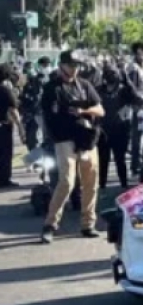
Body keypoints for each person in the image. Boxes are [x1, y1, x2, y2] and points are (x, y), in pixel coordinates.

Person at [40, 50, 105, 244]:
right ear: (61, 65)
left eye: (77, 65)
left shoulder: (84, 85)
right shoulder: (52, 88)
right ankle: (50, 224)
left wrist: (83, 111)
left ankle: (88, 224)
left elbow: (100, 110)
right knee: (67, 181)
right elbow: (49, 116)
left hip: (86, 138)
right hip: (65, 139)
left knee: (91, 181)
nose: (74, 69)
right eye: (71, 65)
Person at [96, 67, 130, 189]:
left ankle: (124, 185)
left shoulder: (124, 90)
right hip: (103, 130)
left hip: (119, 130)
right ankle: (102, 186)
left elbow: (139, 99)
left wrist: (128, 82)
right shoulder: (98, 90)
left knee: (120, 159)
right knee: (103, 160)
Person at [123, 42, 143, 175]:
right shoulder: (134, 68)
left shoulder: (141, 67)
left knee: (141, 136)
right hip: (138, 107)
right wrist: (138, 104)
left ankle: (139, 164)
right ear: (139, 51)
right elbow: (132, 89)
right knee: (138, 137)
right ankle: (137, 165)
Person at [0, 64, 26, 187]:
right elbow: (13, 109)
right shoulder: (5, 90)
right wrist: (20, 127)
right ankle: (4, 179)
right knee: (5, 154)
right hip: (3, 126)